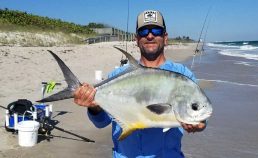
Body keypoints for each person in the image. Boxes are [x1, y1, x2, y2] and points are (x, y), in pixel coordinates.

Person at [74, 10, 207, 158]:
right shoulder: (118, 76)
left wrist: (200, 125)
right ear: (137, 39)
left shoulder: (184, 76)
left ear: (165, 37)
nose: (150, 36)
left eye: (156, 30)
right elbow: (101, 122)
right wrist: (94, 106)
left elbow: (200, 116)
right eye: (144, 31)